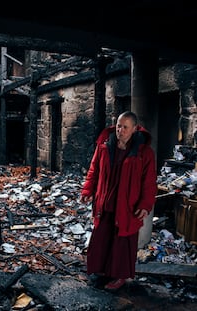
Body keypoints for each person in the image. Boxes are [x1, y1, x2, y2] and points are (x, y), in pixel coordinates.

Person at [80, 111, 157, 291]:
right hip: (105, 200)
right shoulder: (105, 146)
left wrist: (145, 205)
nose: (120, 130)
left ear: (135, 129)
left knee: (123, 242)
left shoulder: (144, 152)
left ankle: (119, 276)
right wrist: (87, 190)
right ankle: (100, 271)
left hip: (128, 205)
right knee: (102, 237)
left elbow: (149, 182)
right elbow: (94, 170)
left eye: (125, 127)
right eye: (118, 126)